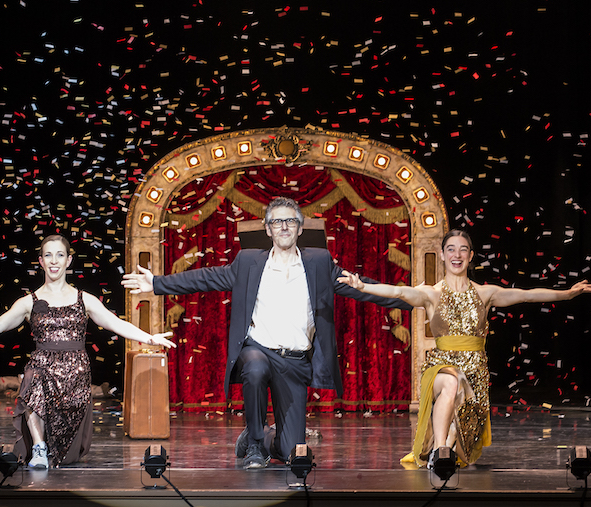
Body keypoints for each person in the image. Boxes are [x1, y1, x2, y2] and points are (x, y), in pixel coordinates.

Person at [122, 196, 412, 469]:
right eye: (276, 222)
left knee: (290, 452)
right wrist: (157, 283)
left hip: (295, 363)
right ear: (268, 230)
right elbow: (207, 276)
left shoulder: (319, 262)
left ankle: (256, 436)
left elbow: (360, 287)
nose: (283, 227)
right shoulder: (249, 262)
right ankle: (255, 447)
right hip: (258, 350)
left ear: (299, 228)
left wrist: (411, 299)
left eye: (290, 221)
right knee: (256, 369)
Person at [337, 228, 591, 475]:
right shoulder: (430, 294)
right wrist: (362, 286)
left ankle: (447, 446)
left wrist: (567, 294)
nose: (457, 255)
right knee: (451, 383)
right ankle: (439, 453)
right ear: (442, 255)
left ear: (471, 256)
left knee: (460, 427)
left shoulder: (486, 293)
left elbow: (527, 295)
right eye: (451, 249)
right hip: (441, 366)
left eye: (463, 250)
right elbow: (397, 291)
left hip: (475, 369)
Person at [0, 234, 175, 469]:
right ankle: (38, 447)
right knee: (33, 378)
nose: (54, 261)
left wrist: (150, 337)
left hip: (76, 371)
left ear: (68, 261)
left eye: (60, 255)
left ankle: (53, 444)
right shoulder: (29, 302)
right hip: (43, 363)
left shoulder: (84, 299)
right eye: (48, 255)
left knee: (66, 452)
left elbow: (115, 323)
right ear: (41, 261)